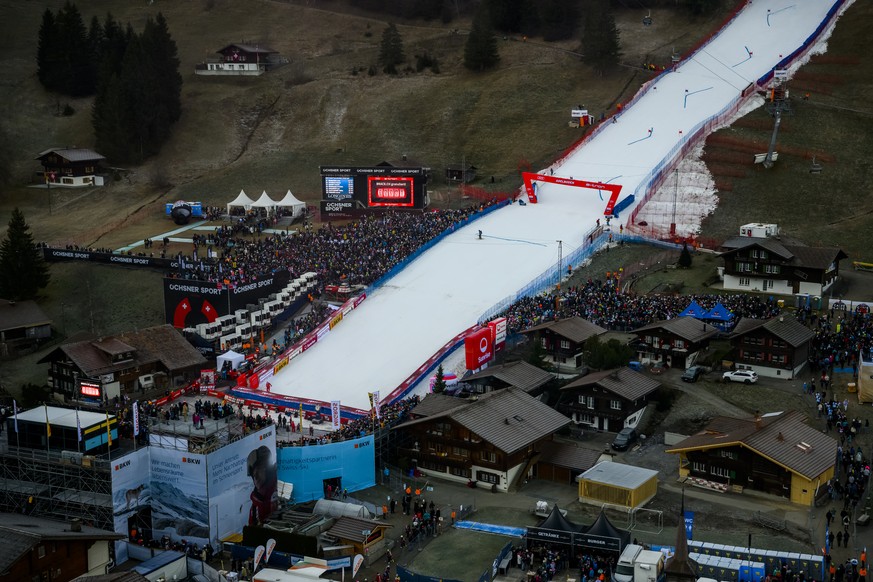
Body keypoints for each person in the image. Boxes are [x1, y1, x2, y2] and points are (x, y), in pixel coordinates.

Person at [247, 445, 278, 525]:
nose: (255, 477)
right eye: (253, 475)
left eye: (258, 471)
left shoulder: (280, 490)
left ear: (268, 470)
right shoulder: (255, 504)